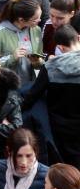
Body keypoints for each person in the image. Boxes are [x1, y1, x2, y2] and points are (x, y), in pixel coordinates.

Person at [22, 25, 80, 169]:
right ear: (78, 38)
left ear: (59, 46)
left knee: (64, 166)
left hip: (59, 127)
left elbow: (32, 96)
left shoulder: (50, 67)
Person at [0, 0, 45, 85]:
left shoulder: (36, 30)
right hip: (5, 86)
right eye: (35, 19)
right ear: (21, 20)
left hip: (29, 85)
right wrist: (12, 58)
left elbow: (39, 61)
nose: (39, 21)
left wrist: (37, 61)